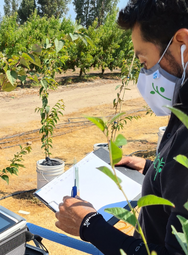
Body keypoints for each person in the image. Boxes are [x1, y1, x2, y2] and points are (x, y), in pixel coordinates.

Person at [55, 1, 188, 254]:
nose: (145, 74)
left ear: (182, 42)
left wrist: (90, 225)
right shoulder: (183, 104)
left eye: (145, 61)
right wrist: (151, 169)